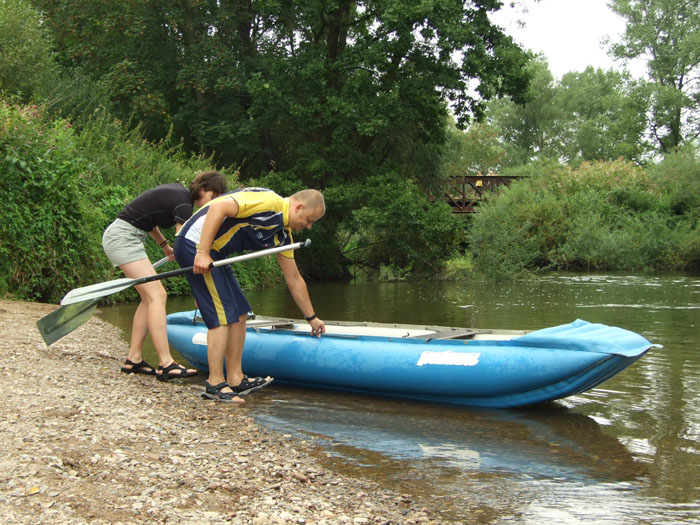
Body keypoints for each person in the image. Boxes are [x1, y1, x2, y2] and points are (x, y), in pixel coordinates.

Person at [174, 187, 326, 403]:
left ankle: (236, 378)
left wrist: (312, 317)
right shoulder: (269, 201)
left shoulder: (282, 235)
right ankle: (215, 383)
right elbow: (217, 207)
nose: (309, 226)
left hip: (216, 252)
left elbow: (294, 279)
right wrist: (202, 253)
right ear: (299, 207)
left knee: (240, 312)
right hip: (194, 244)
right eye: (309, 219)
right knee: (223, 315)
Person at [102, 170, 229, 380]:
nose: (212, 204)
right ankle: (166, 363)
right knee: (158, 296)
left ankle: (134, 359)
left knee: (148, 298)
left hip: (126, 236)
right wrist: (199, 290)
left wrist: (164, 246)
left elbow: (150, 221)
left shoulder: (179, 195)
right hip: (123, 238)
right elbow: (185, 249)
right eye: (213, 197)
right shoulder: (184, 204)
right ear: (204, 189)